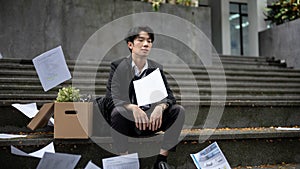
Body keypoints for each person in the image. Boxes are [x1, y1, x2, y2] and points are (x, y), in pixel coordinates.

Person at [105, 26, 185, 169]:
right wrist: (132, 107)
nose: (146, 44)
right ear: (130, 45)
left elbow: (170, 97)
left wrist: (161, 107)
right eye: (140, 40)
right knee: (118, 112)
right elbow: (111, 97)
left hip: (152, 121)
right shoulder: (118, 66)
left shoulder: (156, 68)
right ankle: (125, 161)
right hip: (129, 123)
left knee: (178, 111)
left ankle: (161, 160)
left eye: (149, 41)